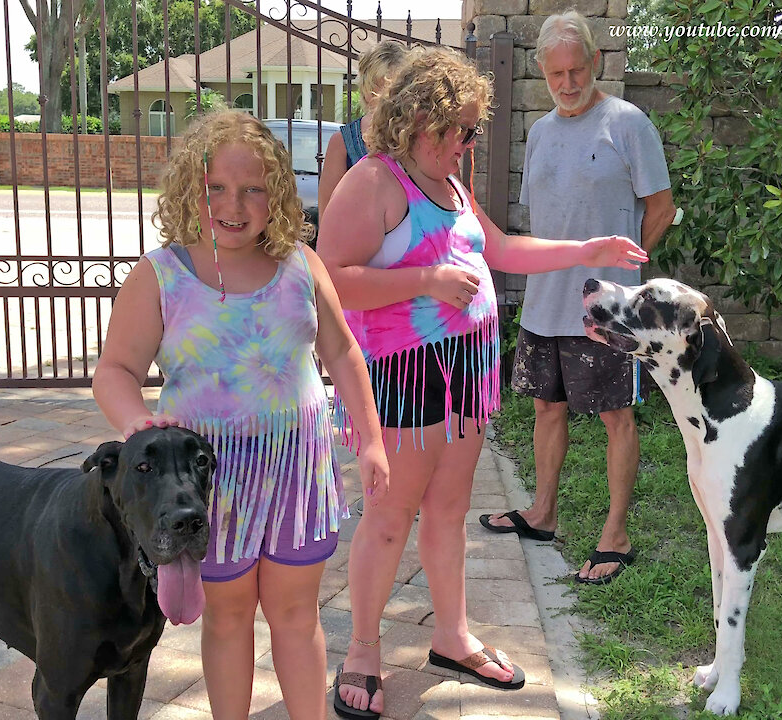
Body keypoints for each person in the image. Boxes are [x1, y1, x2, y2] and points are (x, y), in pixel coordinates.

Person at [318, 45, 648, 719]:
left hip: (466, 372)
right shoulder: (376, 181)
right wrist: (425, 280)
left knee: (446, 512)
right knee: (388, 519)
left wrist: (587, 249)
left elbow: (500, 249)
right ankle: (362, 651)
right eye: (459, 130)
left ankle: (452, 636)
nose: (468, 143)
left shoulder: (453, 185)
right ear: (418, 120)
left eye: (472, 130)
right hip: (404, 374)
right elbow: (330, 277)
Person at [92, 111, 389, 720]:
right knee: (226, 619)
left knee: (295, 615)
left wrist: (372, 440)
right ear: (188, 190)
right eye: (216, 188)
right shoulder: (161, 276)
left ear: (277, 193)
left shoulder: (301, 266)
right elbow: (115, 370)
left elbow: (342, 350)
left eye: (253, 187)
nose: (234, 204)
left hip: (295, 477)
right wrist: (133, 424)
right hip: (208, 488)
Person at [478, 11, 676, 585]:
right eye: (556, 73)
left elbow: (660, 208)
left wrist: (624, 271)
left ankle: (616, 534)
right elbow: (543, 217)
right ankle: (542, 513)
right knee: (546, 407)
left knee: (617, 415)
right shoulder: (538, 132)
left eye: (576, 69)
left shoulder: (627, 123)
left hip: (608, 309)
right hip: (545, 299)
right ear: (542, 70)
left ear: (594, 61)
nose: (567, 83)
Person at [318, 39, 408, 217]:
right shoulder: (343, 142)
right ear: (366, 90)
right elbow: (327, 215)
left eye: (395, 90)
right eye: (378, 88)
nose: (387, 98)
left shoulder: (425, 137)